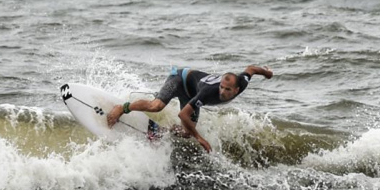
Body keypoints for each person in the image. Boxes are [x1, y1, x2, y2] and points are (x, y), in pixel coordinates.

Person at [107, 64, 273, 152]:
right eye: (221, 87)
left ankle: (161, 132)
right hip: (179, 79)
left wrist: (266, 73)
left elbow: (251, 69)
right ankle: (122, 108)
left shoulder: (242, 82)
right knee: (156, 106)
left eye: (227, 89)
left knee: (187, 133)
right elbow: (183, 114)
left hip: (191, 93)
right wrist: (200, 138)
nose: (222, 92)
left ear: (237, 89)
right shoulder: (209, 92)